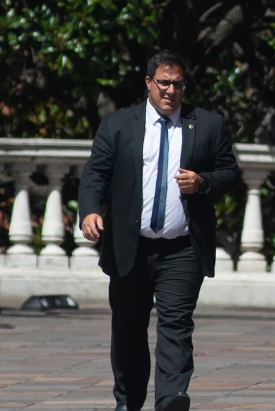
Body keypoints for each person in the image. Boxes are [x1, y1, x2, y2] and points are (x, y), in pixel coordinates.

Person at [78, 50, 240, 411]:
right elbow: (95, 175)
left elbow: (230, 173)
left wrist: (203, 182)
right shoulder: (119, 125)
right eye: (164, 83)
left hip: (182, 248)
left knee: (176, 325)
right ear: (149, 83)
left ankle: (170, 398)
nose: (171, 91)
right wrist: (89, 211)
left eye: (178, 84)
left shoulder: (208, 124)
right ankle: (128, 401)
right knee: (128, 327)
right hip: (130, 247)